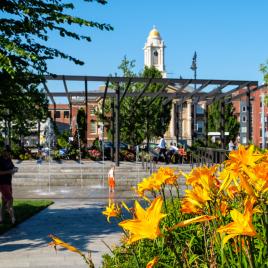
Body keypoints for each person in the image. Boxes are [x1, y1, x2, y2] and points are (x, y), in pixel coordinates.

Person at [0, 148, 18, 224]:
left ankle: (1, 219)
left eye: (8, 152)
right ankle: (13, 220)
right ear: (3, 152)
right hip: (2, 183)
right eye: (6, 151)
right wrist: (10, 171)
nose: (7, 153)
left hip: (8, 182)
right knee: (10, 200)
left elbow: (12, 167)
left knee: (4, 202)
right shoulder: (0, 160)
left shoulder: (8, 160)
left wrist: (15, 169)